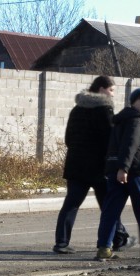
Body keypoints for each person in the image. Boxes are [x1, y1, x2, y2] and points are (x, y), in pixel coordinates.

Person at [52, 75, 134, 255]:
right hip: (99, 167)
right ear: (101, 89)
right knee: (108, 205)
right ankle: (119, 238)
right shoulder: (105, 110)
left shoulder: (76, 109)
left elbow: (68, 139)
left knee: (71, 204)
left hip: (76, 165)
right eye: (111, 90)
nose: (112, 94)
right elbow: (110, 141)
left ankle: (61, 243)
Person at [95, 87, 140, 262]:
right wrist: (124, 168)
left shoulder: (120, 120)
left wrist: (115, 168)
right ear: (133, 102)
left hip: (115, 171)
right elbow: (131, 145)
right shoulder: (135, 121)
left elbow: (113, 146)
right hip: (133, 172)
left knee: (110, 211)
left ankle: (104, 248)